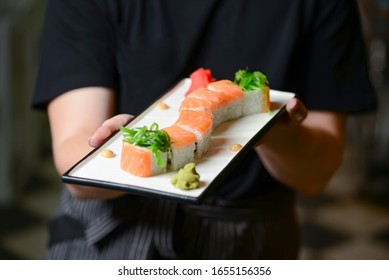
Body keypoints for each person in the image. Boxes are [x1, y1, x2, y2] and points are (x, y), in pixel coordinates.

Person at [33, 0, 376, 259]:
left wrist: (269, 127)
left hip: (250, 236)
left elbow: (315, 175)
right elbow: (75, 157)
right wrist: (113, 156)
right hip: (109, 232)